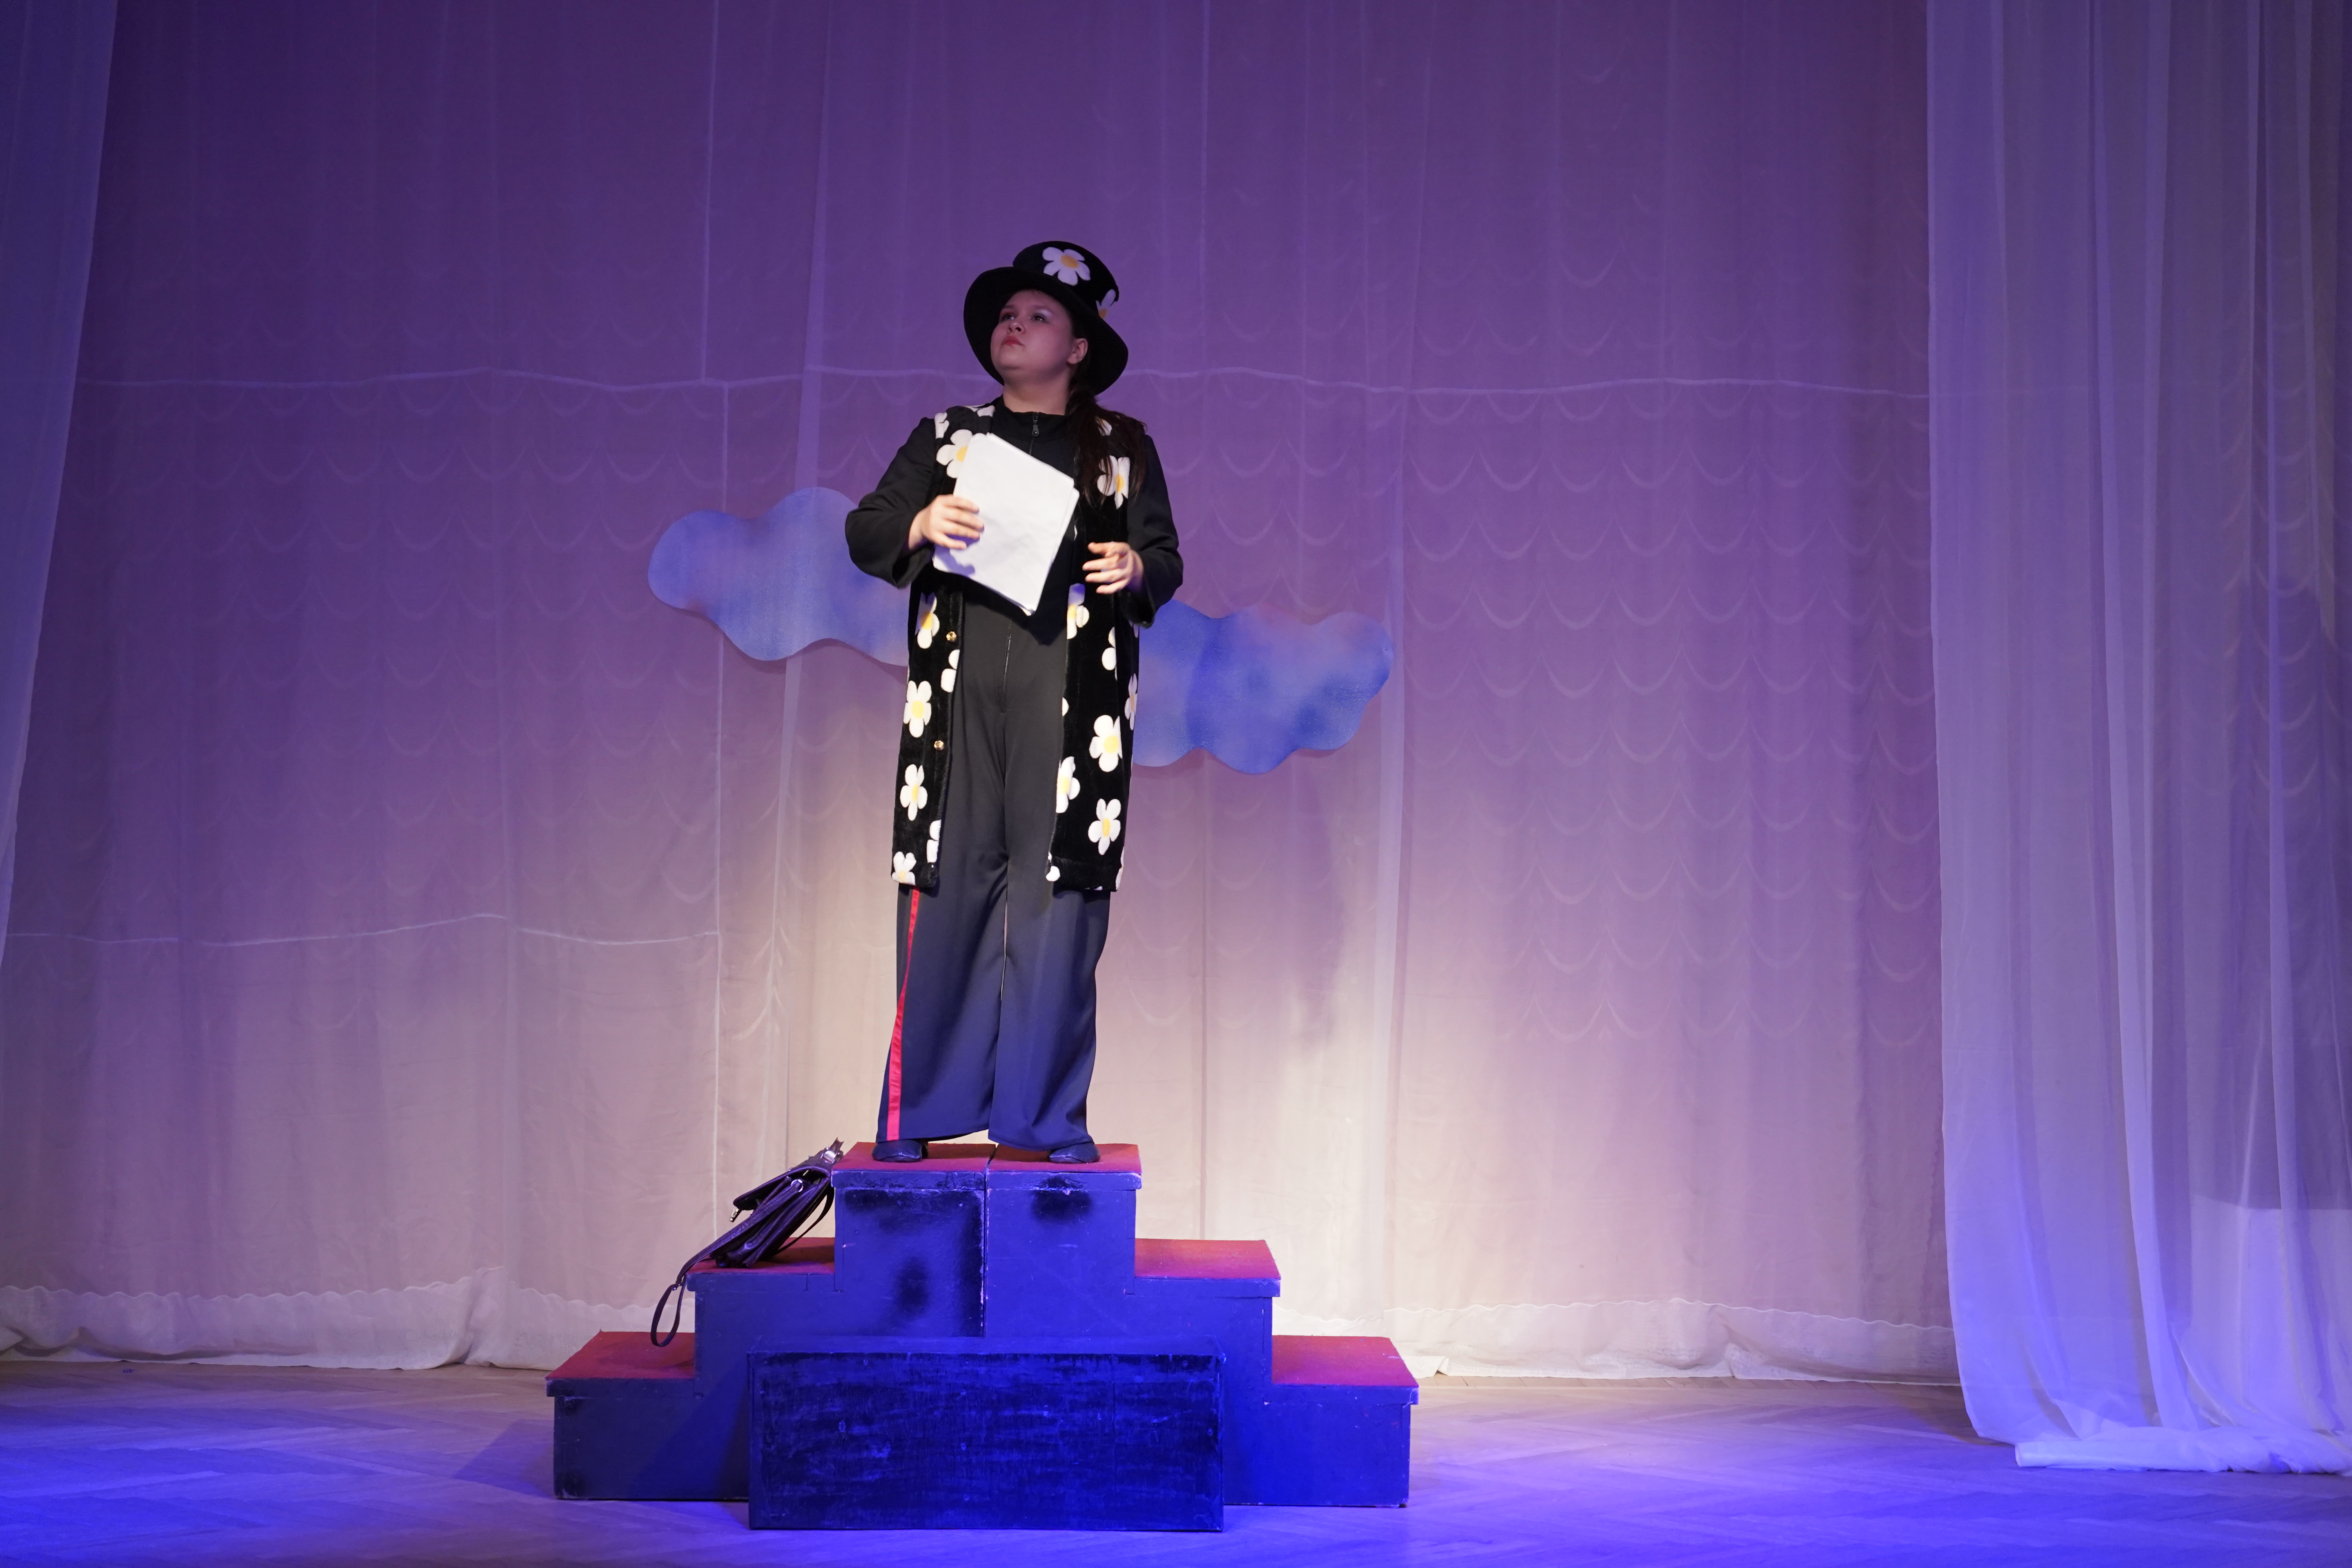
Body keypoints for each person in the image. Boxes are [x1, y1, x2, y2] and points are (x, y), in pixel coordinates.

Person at [843, 242, 1182, 1163]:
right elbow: (869, 527)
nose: (1014, 327)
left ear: (1079, 346)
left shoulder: (1122, 447)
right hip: (958, 701)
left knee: (1058, 895)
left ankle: (1047, 1116)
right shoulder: (950, 437)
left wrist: (1135, 565)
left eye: (1037, 316)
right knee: (945, 886)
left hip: (1074, 701)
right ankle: (919, 1109)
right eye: (1006, 314)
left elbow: (1164, 557)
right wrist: (920, 522)